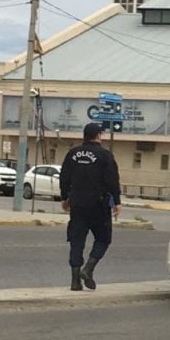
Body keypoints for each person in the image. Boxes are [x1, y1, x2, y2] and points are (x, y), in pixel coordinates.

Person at [59, 122, 121, 291]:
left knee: (76, 240)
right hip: (98, 205)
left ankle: (74, 281)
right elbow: (112, 180)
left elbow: (64, 177)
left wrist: (65, 198)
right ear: (99, 135)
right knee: (103, 238)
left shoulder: (72, 154)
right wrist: (117, 201)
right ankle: (88, 269)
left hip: (77, 204)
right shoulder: (105, 155)